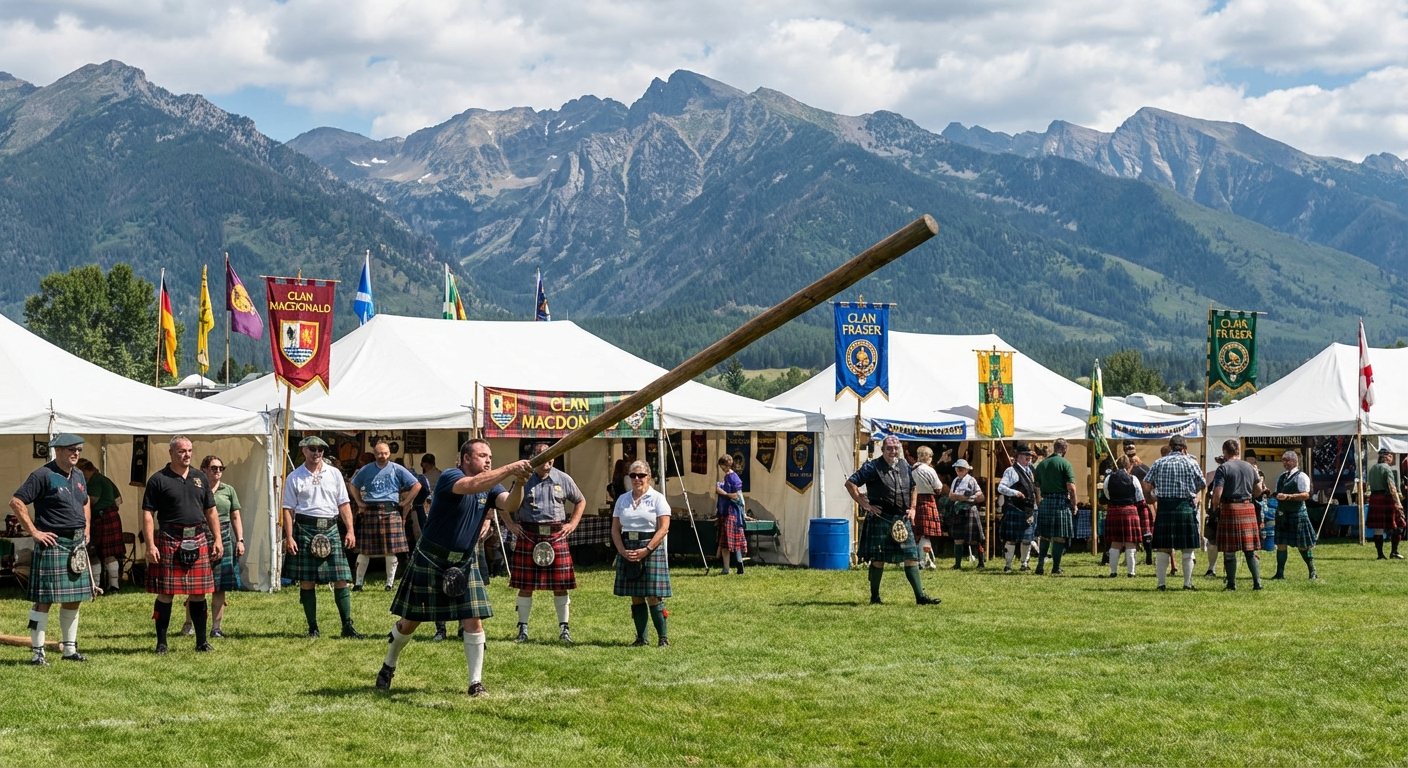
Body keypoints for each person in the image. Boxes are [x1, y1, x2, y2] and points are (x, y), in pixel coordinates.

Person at [376, 439, 529, 696]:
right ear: (466, 458)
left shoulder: (491, 485)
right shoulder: (451, 476)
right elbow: (470, 486)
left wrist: (521, 482)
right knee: (410, 622)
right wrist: (510, 467)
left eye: (490, 456)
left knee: (474, 620)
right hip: (431, 559)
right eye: (482, 455)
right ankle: (389, 664)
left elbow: (510, 504)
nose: (488, 460)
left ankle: (475, 683)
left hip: (464, 562)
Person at [9, 433, 93, 665]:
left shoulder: (78, 475)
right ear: (57, 450)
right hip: (53, 543)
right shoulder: (42, 474)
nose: (75, 453)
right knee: (44, 599)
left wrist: (86, 529)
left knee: (74, 598)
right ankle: (38, 653)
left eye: (78, 449)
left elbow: (85, 502)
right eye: (70, 449)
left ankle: (69, 649)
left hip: (75, 544)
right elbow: (16, 501)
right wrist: (34, 532)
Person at [142, 436, 223, 654]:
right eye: (181, 451)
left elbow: (210, 510)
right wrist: (150, 545)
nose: (186, 455)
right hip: (170, 537)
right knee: (166, 593)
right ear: (171, 453)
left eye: (189, 451)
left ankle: (201, 641)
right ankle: (161, 643)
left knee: (199, 593)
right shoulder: (158, 479)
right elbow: (148, 513)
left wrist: (217, 538)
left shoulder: (200, 477)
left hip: (197, 537)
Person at [501, 442, 586, 643]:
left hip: (556, 534)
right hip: (529, 533)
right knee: (526, 586)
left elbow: (580, 501)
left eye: (550, 456)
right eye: (541, 456)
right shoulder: (523, 479)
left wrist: (572, 523)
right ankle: (522, 629)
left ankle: (564, 629)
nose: (547, 461)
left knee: (561, 585)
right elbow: (503, 503)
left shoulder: (563, 479)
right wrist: (511, 524)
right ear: (534, 457)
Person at [282, 435, 363, 640]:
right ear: (304, 451)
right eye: (312, 449)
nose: (316, 452)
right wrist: (289, 537)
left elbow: (344, 504)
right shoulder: (295, 477)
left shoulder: (334, 473)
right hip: (305, 528)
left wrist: (351, 530)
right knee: (307, 581)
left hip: (330, 527)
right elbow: (288, 509)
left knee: (341, 578)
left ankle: (347, 625)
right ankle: (313, 628)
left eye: (320, 449)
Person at [846, 436, 941, 604]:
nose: (893, 451)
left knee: (911, 556)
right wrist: (865, 505)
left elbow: (914, 487)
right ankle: (874, 597)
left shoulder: (904, 465)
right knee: (878, 560)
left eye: (895, 448)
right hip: (881, 518)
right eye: (889, 448)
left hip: (902, 519)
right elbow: (850, 483)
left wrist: (912, 508)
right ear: (882, 450)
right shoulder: (872, 466)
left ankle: (921, 597)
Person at [179, 455, 243, 638]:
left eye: (221, 468)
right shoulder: (195, 488)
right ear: (204, 469)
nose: (218, 472)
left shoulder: (228, 490)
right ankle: (189, 623)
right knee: (196, 585)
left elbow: (235, 516)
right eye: (214, 468)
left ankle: (216, 627)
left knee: (220, 586)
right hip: (201, 534)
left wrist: (240, 539)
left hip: (224, 534)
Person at [612, 461, 676, 644]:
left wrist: (647, 549)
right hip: (628, 547)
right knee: (636, 595)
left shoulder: (657, 499)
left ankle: (663, 638)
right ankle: (641, 638)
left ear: (649, 476)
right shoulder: (622, 500)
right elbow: (615, 529)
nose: (637, 479)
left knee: (653, 595)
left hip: (650, 547)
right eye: (633, 476)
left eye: (641, 475)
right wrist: (622, 551)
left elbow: (664, 528)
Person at [349, 441, 421, 591]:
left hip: (390, 510)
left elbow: (417, 485)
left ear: (389, 454)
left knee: (390, 549)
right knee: (364, 550)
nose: (382, 456)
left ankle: (389, 584)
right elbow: (352, 484)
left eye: (385, 453)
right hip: (370, 510)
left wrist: (406, 501)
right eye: (379, 453)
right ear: (375, 454)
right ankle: (358, 584)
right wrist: (358, 501)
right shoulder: (366, 469)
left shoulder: (397, 469)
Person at [1144, 435, 1206, 590]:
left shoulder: (1159, 462)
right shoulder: (1191, 462)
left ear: (1170, 446)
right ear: (1184, 447)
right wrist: (1191, 492)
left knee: (1163, 547)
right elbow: (1202, 483)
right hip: (1185, 505)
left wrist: (1151, 497)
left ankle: (1161, 584)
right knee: (1187, 547)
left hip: (1164, 506)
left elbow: (1146, 483)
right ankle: (1187, 583)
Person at [1209, 439, 1266, 591]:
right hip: (1248, 508)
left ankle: (1231, 584)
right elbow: (1258, 491)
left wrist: (1215, 507)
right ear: (1238, 452)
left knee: (1229, 550)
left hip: (1230, 508)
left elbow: (1217, 493)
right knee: (1250, 550)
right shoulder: (1249, 467)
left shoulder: (1223, 468)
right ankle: (1257, 583)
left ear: (1225, 451)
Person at [74, 458, 124, 594]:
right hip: (109, 516)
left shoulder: (94, 480)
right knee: (107, 554)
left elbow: (92, 500)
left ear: (86, 470)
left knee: (95, 554)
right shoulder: (104, 479)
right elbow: (119, 500)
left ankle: (96, 586)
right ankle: (113, 586)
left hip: (103, 518)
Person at [1033, 438, 1078, 575]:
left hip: (1045, 502)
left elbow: (1036, 485)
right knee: (1059, 536)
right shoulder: (1065, 464)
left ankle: (1040, 565)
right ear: (1065, 449)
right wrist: (1074, 504)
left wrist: (1039, 501)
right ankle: (1055, 568)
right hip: (1060, 502)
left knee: (1045, 535)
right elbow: (1071, 488)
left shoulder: (1042, 464)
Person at [1271, 450, 1318, 579]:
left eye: (1286, 460)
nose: (1284, 463)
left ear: (1294, 461)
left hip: (1297, 513)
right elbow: (1277, 492)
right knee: (1281, 544)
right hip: (1283, 514)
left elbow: (1305, 495)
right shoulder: (1281, 477)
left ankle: (1312, 571)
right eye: (1283, 460)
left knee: (1303, 546)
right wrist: (1274, 495)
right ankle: (1279, 573)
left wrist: (1288, 497)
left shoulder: (1302, 476)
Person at [996, 444, 1038, 571]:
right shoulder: (1011, 471)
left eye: (1030, 456)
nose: (1029, 458)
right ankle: (1008, 565)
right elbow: (1001, 487)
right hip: (1015, 508)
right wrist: (1015, 493)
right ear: (1018, 456)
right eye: (1026, 455)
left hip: (1028, 509)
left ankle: (1024, 564)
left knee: (1027, 539)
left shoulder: (1030, 470)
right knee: (1011, 539)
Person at [1102, 455, 1145, 577]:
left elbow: (1106, 494)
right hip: (1130, 511)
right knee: (1130, 542)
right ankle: (1131, 572)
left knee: (1115, 541)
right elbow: (1140, 497)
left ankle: (1113, 572)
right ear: (1128, 466)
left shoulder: (1109, 478)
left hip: (1114, 510)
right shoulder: (1133, 479)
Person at [1365, 448, 1405, 560]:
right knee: (1399, 524)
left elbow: (1369, 487)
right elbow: (1392, 488)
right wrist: (1398, 504)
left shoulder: (1372, 469)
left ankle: (1380, 555)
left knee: (1378, 528)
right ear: (1385, 457)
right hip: (1386, 499)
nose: (1392, 458)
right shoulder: (1387, 469)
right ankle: (1394, 552)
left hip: (1374, 499)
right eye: (1390, 456)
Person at [946, 459, 986, 569]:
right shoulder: (955, 481)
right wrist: (961, 497)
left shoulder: (971, 480)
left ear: (967, 470)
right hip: (958, 510)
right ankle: (957, 564)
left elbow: (974, 496)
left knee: (976, 538)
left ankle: (981, 561)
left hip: (969, 509)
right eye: (957, 468)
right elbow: (951, 496)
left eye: (961, 469)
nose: (959, 470)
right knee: (957, 538)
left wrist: (961, 497)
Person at [910, 446, 945, 570]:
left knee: (917, 533)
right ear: (929, 457)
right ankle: (923, 561)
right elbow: (938, 488)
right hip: (928, 500)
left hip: (914, 501)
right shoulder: (930, 470)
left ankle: (921, 560)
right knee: (926, 534)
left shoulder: (911, 469)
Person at [712, 454, 747, 575]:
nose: (722, 468)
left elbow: (738, 496)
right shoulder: (727, 477)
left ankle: (735, 566)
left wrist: (724, 493)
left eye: (723, 466)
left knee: (730, 543)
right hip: (726, 513)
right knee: (727, 542)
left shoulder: (733, 477)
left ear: (725, 465)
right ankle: (731, 567)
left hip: (731, 513)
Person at [1203, 455, 1226, 578]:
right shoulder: (1211, 475)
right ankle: (1211, 568)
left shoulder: (1231, 474)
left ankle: (1228, 570)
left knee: (1228, 543)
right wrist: (1208, 508)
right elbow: (1206, 493)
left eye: (1222, 462)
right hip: (1214, 512)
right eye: (1219, 462)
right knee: (1212, 543)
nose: (1221, 464)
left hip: (1227, 510)